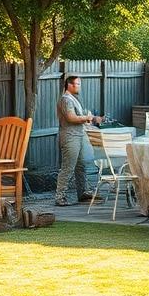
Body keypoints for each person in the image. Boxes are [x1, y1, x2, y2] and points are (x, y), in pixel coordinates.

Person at [55, 75, 101, 206]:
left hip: (79, 136)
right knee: (68, 167)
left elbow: (77, 118)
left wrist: (89, 119)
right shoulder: (66, 100)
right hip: (70, 137)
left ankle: (82, 193)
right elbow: (71, 118)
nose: (79, 87)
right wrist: (88, 117)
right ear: (70, 85)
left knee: (81, 166)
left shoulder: (73, 99)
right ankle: (60, 196)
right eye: (78, 84)